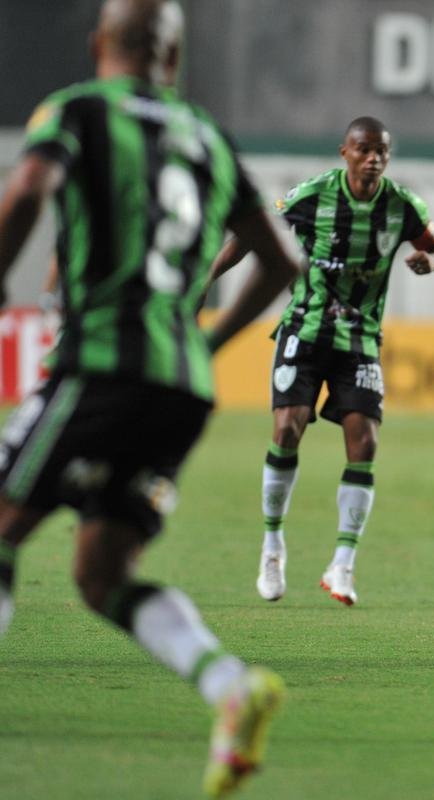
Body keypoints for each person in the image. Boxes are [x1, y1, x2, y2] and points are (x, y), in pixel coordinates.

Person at [0, 1, 300, 796]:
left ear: (101, 44)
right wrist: (202, 345)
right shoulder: (210, 137)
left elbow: (30, 183)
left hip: (99, 366)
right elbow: (279, 263)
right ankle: (229, 686)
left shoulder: (76, 110)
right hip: (180, 388)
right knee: (101, 572)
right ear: (174, 56)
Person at [208, 116, 434, 607]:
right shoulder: (312, 197)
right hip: (305, 329)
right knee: (287, 428)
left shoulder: (403, 207)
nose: (373, 158)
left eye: (381, 150)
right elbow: (251, 239)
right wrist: (203, 283)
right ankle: (272, 544)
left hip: (359, 338)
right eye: (363, 149)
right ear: (345, 152)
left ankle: (342, 563)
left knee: (364, 442)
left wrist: (432, 261)